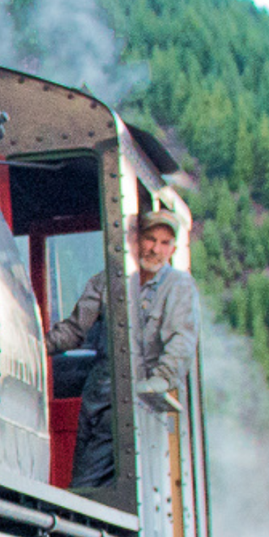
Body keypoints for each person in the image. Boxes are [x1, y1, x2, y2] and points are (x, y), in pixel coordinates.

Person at [47, 210, 198, 489]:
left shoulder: (179, 286)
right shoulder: (106, 281)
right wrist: (39, 345)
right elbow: (75, 329)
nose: (155, 249)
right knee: (82, 479)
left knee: (93, 484)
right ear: (136, 240)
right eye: (150, 239)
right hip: (96, 400)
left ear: (173, 249)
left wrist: (161, 379)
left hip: (137, 400)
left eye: (165, 243)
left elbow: (182, 340)